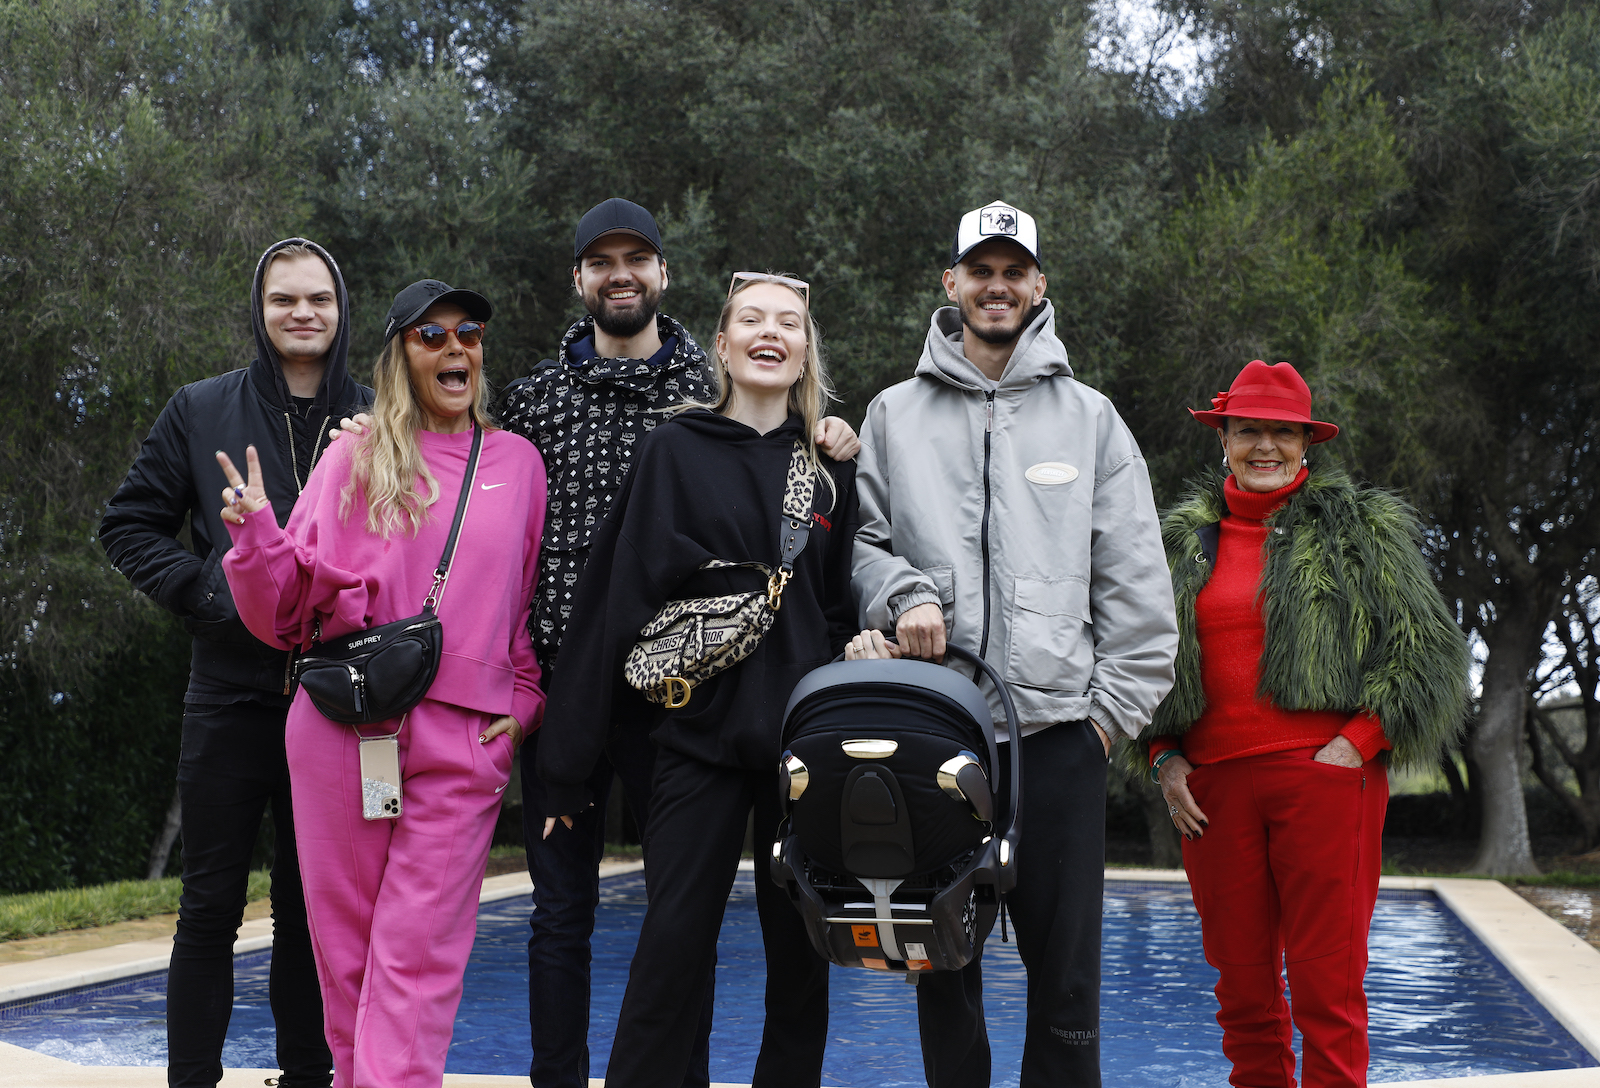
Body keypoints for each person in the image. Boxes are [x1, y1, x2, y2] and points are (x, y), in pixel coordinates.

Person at [491, 198, 858, 1088]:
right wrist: (569, 768)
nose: (769, 335)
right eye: (751, 320)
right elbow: (614, 607)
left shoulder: (833, 469)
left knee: (800, 959)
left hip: (797, 751)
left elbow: (840, 610)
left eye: (789, 323)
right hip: (694, 743)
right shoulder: (675, 450)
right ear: (723, 345)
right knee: (672, 946)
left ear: (805, 350)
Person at [848, 200, 1179, 1088]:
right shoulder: (891, 415)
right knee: (939, 968)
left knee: (1065, 976)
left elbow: (1138, 590)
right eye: (979, 270)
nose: (996, 286)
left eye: (1013, 271)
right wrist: (906, 591)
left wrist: (1103, 723)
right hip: (936, 734)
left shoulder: (1095, 420)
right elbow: (861, 548)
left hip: (1060, 738)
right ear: (949, 282)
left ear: (1038, 285)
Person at [216, 279, 546, 1088]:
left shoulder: (517, 463)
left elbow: (526, 604)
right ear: (401, 355)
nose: (455, 348)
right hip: (342, 731)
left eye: (468, 332)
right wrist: (258, 534)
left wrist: (525, 703)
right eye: (432, 337)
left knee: (418, 959)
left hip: (463, 737)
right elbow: (284, 616)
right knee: (350, 961)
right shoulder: (351, 457)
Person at [1143, 359, 1468, 1088]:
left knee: (1328, 991)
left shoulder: (1362, 532)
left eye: (1282, 433)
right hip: (1210, 797)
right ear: (1222, 438)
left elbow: (1430, 657)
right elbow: (1137, 660)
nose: (1266, 446)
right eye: (1249, 430)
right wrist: (1163, 756)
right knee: (1244, 994)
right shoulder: (1177, 544)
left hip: (1326, 780)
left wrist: (1357, 746)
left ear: (1306, 443)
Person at [100, 238, 368, 1088]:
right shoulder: (200, 408)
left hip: (332, 702)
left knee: (310, 913)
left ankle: (307, 1079)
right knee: (210, 906)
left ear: (341, 310)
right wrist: (209, 592)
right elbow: (128, 525)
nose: (302, 313)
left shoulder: (374, 416)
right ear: (259, 311)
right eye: (284, 299)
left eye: (318, 299)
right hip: (228, 695)